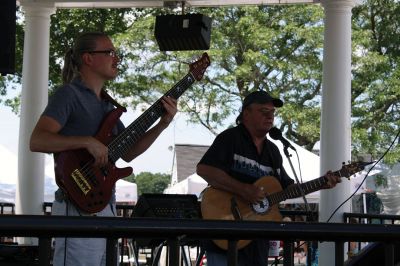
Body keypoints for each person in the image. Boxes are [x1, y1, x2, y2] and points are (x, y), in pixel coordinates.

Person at [30, 32, 177, 266]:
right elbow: (38, 140)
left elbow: (128, 152)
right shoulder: (69, 94)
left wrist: (163, 124)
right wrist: (87, 141)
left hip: (104, 204)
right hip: (75, 205)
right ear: (88, 58)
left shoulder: (108, 104)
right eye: (109, 52)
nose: (116, 58)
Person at [196, 90, 341, 266]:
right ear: (246, 114)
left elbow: (286, 188)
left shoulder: (273, 151)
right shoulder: (230, 138)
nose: (270, 117)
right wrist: (243, 189)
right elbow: (204, 170)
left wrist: (320, 184)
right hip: (226, 235)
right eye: (264, 112)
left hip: (258, 240)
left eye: (272, 113)